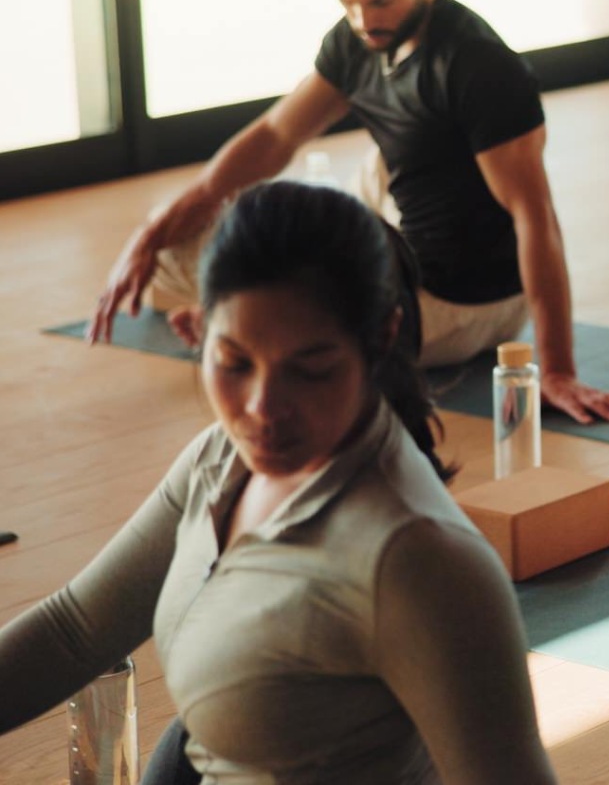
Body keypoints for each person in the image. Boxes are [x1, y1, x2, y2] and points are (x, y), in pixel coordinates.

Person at [1, 182, 555, 783]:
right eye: (234, 363)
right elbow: (74, 632)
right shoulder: (220, 461)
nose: (264, 408)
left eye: (311, 369)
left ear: (381, 339)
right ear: (192, 331)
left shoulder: (417, 563)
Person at [88, 0, 609, 425]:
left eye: (381, 1)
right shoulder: (357, 41)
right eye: (346, 3)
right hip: (409, 239)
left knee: (286, 302)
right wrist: (154, 228)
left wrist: (556, 368)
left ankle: (252, 328)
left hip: (467, 301)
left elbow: (536, 218)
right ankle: (256, 317)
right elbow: (275, 137)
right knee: (166, 254)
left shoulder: (479, 66)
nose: (364, 21)